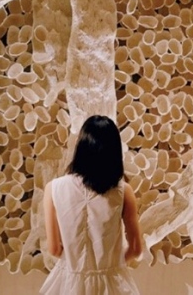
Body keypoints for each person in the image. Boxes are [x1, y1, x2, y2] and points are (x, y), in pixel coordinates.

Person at [40, 114, 143, 295]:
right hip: (111, 283)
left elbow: (54, 249)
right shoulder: (124, 191)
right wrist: (112, 264)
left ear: (81, 147)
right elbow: (135, 249)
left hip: (68, 283)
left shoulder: (53, 189)